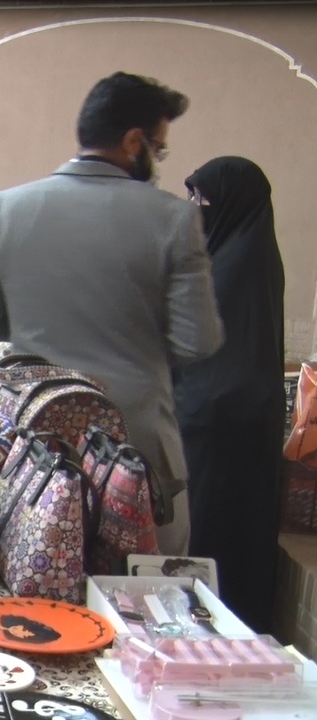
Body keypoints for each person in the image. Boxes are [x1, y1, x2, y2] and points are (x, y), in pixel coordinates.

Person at [0, 71, 224, 555]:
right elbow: (196, 341)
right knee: (138, 598)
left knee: (30, 582)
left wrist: (39, 329)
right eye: (157, 149)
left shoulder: (5, 207)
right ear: (133, 141)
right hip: (135, 449)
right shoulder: (173, 218)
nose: (156, 161)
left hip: (31, 440)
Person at [176, 156, 284, 632]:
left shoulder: (233, 266)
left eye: (203, 199)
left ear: (231, 205)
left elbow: (212, 354)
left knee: (212, 532)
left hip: (218, 420)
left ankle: (215, 627)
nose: (194, 208)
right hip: (234, 417)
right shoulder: (246, 253)